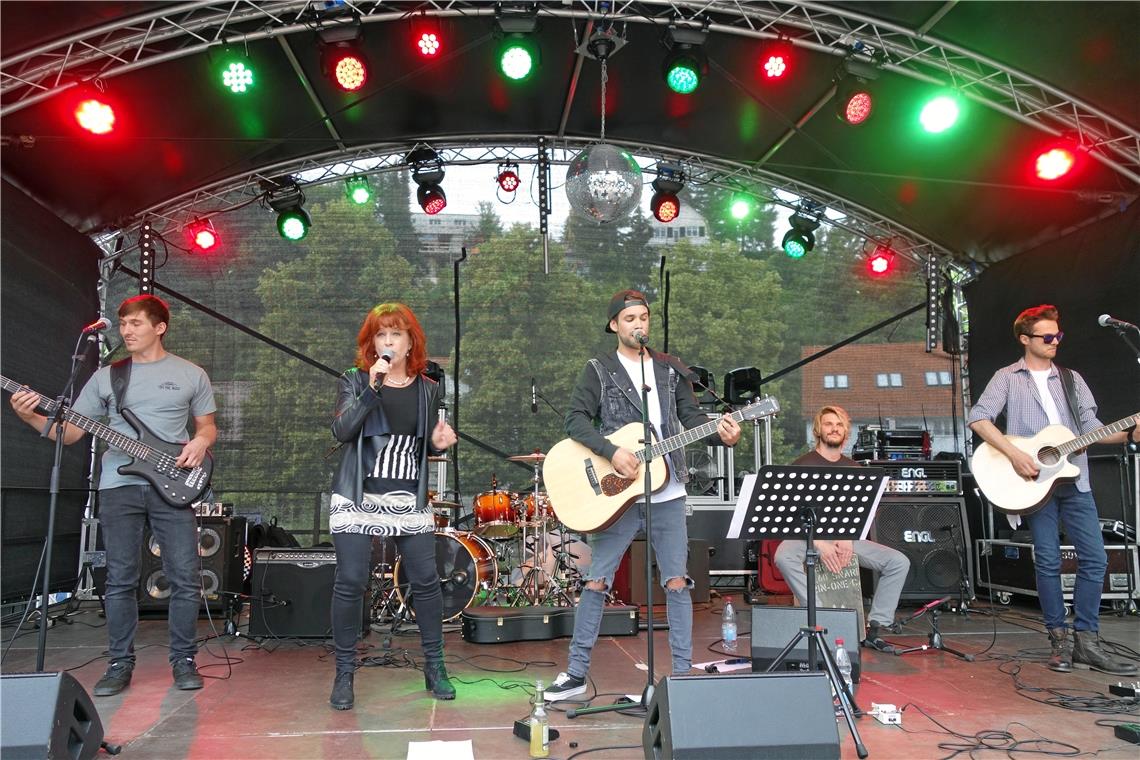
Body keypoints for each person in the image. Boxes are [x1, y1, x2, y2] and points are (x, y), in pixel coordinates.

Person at [9, 295, 217, 696]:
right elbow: (69, 433)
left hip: (174, 483)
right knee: (120, 579)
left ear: (160, 327)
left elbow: (208, 426)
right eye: (123, 324)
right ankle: (120, 662)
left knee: (185, 577)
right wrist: (29, 415)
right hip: (118, 486)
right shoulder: (107, 376)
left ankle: (184, 659)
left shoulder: (192, 373)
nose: (127, 331)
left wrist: (200, 444)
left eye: (136, 323)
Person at [545, 289, 742, 701]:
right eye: (630, 318)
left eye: (644, 317)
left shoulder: (670, 371)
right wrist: (611, 451)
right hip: (616, 494)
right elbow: (574, 421)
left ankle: (683, 677)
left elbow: (691, 419)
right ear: (615, 325)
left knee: (676, 581)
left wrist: (726, 434)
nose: (639, 324)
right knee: (597, 580)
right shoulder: (599, 370)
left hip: (667, 490)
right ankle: (576, 673)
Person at [968, 304, 1139, 675]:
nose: (1054, 342)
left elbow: (1090, 425)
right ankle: (1058, 639)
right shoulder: (1007, 377)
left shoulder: (1071, 378)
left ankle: (1087, 641)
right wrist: (1015, 455)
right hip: (1032, 482)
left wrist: (1128, 433)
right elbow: (978, 417)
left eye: (1058, 336)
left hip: (1076, 478)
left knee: (1095, 558)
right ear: (1025, 339)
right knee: (1047, 560)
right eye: (1047, 337)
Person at [328, 302, 458, 710]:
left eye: (395, 334)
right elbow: (344, 429)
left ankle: (434, 665)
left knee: (426, 582)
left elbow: (428, 444)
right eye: (380, 335)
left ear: (410, 343)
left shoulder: (428, 388)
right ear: (372, 343)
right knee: (351, 581)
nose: (387, 341)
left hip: (407, 497)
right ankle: (344, 672)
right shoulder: (354, 380)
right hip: (357, 495)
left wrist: (437, 444)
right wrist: (372, 388)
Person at [774, 405, 910, 652]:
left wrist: (848, 536)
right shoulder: (801, 465)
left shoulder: (854, 469)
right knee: (783, 555)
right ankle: (821, 617)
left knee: (898, 562)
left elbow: (861, 513)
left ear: (846, 432)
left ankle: (877, 626)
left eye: (839, 425)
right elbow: (792, 515)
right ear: (818, 430)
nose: (834, 429)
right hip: (808, 538)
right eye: (828, 424)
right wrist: (818, 543)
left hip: (845, 538)